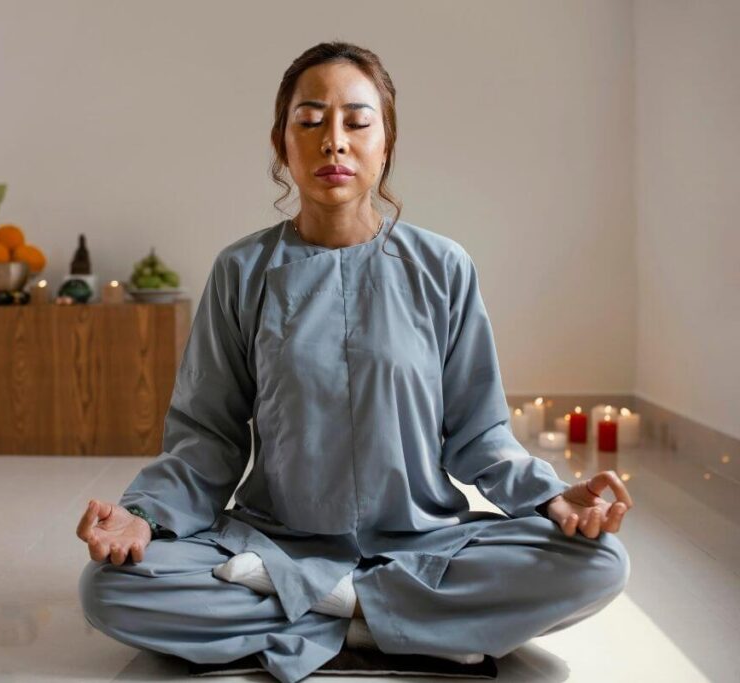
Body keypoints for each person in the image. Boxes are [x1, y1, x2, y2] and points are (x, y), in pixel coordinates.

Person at [77, 41, 632, 683]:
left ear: (386, 142)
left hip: (424, 544)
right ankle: (399, 622)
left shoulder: (443, 268)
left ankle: (327, 609)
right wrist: (142, 515)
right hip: (275, 541)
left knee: (600, 563)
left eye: (357, 122)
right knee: (109, 589)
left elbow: (480, 436)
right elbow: (207, 438)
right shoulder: (241, 271)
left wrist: (551, 499)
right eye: (309, 122)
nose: (332, 142)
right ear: (281, 142)